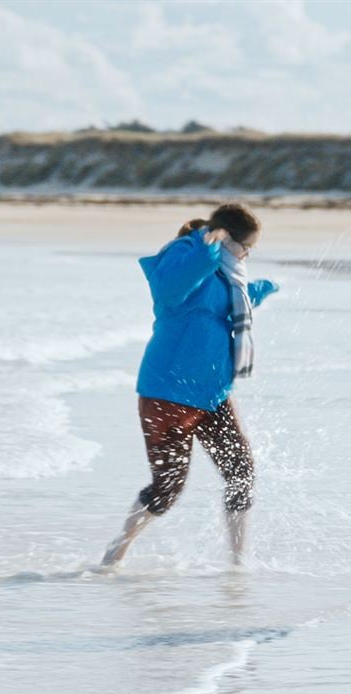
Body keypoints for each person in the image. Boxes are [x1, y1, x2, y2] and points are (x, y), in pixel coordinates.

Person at [101, 203, 279, 567]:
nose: (248, 254)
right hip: (167, 393)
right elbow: (171, 292)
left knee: (241, 471)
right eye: (247, 246)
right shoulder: (185, 254)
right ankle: (116, 552)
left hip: (212, 394)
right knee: (168, 489)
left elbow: (224, 306)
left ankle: (238, 563)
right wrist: (205, 247)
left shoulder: (229, 272)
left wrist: (264, 289)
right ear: (227, 238)